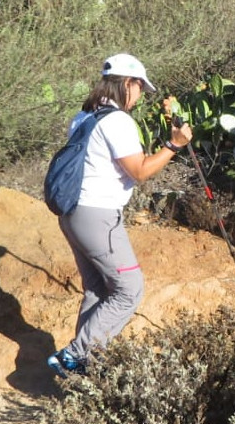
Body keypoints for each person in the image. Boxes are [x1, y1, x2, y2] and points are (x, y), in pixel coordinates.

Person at [48, 54, 193, 376]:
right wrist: (174, 145)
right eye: (140, 88)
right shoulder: (117, 121)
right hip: (98, 215)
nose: (140, 96)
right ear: (128, 83)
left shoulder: (84, 116)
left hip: (73, 213)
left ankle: (84, 370)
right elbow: (139, 171)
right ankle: (73, 356)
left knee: (98, 290)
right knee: (129, 289)